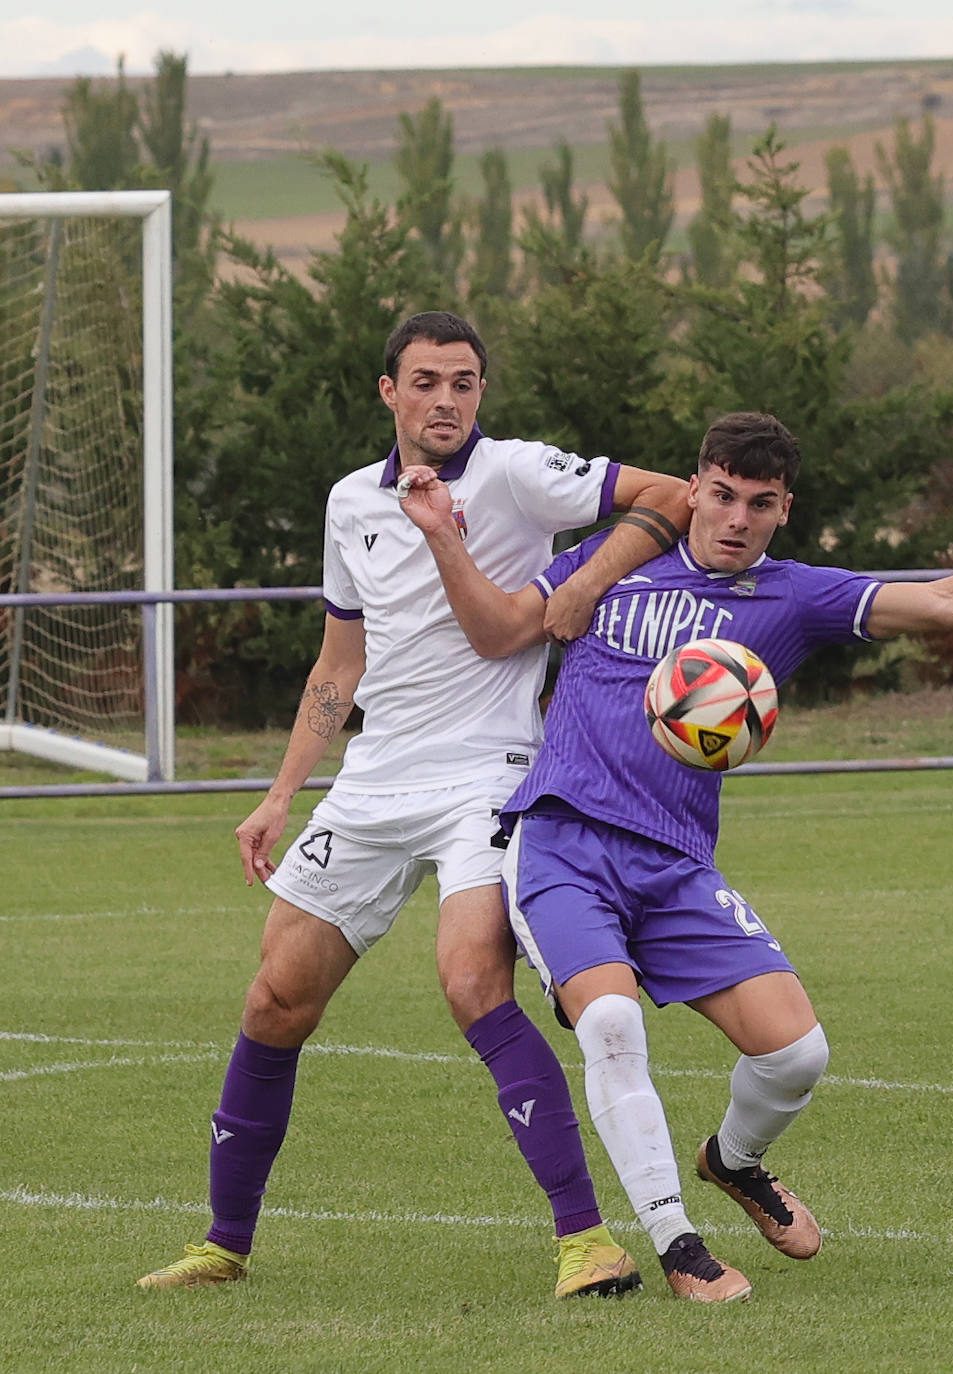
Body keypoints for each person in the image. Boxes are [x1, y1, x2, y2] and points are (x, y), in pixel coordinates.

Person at [397, 409, 953, 1302]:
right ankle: (678, 1245)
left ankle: (734, 1160)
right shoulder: (618, 563)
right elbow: (502, 628)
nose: (734, 519)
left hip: (677, 865)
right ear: (695, 487)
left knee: (796, 1055)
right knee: (611, 1025)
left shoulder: (794, 597)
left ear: (782, 509)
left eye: (758, 504)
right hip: (563, 838)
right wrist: (445, 535)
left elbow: (945, 600)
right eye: (719, 495)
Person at [137, 311, 694, 1297]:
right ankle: (224, 1245)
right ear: (389, 391)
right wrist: (280, 794)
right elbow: (339, 661)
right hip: (372, 782)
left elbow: (673, 497)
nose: (447, 400)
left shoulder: (519, 473)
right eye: (428, 381)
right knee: (274, 1000)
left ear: (482, 393)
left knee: (472, 984)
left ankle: (588, 1245)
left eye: (465, 383)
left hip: (487, 773)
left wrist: (582, 584)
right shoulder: (351, 500)